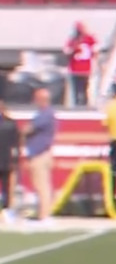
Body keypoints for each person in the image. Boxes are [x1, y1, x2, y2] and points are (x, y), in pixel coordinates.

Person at [24, 88, 56, 221]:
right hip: (40, 153)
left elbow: (29, 129)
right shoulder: (45, 113)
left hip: (40, 154)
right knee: (40, 185)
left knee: (42, 185)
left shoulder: (45, 114)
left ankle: (44, 215)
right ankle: (42, 213)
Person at [63, 21, 96, 107]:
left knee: (84, 89)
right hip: (76, 69)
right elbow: (66, 51)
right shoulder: (73, 40)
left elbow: (95, 50)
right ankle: (78, 104)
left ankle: (84, 104)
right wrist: (73, 50)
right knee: (77, 90)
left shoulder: (89, 39)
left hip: (85, 69)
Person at [0, 99, 20, 221]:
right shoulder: (11, 124)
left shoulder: (10, 124)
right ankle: (6, 209)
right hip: (6, 160)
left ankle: (6, 210)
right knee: (6, 187)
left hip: (5, 159)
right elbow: (16, 144)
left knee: (6, 186)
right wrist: (15, 160)